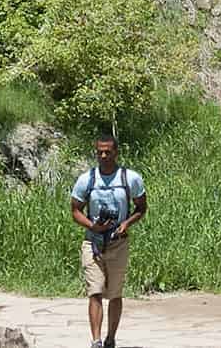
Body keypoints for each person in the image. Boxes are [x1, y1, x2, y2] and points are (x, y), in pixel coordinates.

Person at [70, 133, 148, 348]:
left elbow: (141, 208)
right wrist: (92, 226)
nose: (104, 156)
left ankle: (111, 338)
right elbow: (75, 210)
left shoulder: (130, 178)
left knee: (115, 294)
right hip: (92, 242)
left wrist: (126, 223)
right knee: (94, 291)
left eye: (108, 152)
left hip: (118, 242)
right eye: (100, 152)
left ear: (116, 152)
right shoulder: (87, 179)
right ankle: (96, 341)